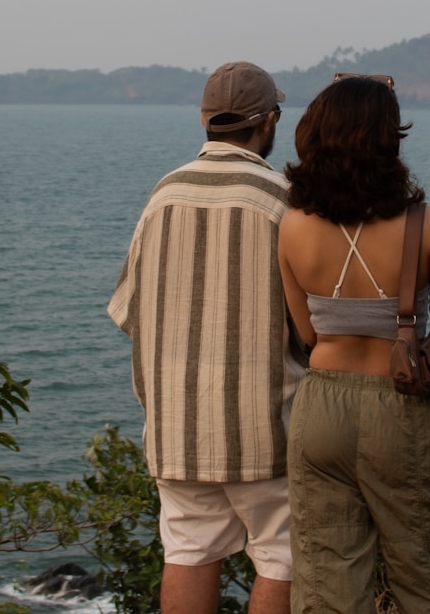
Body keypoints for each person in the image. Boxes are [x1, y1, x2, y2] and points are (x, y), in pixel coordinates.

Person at [276, 74, 430, 614]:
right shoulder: (427, 226)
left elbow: (307, 334)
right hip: (401, 405)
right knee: (429, 576)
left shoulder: (291, 225)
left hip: (319, 407)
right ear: (387, 142)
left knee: (325, 580)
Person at [108, 61, 306, 614]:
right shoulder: (282, 198)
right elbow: (308, 326)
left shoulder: (163, 195)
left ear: (205, 121)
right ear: (269, 121)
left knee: (189, 549)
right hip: (265, 428)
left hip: (175, 426)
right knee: (283, 555)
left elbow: (130, 310)